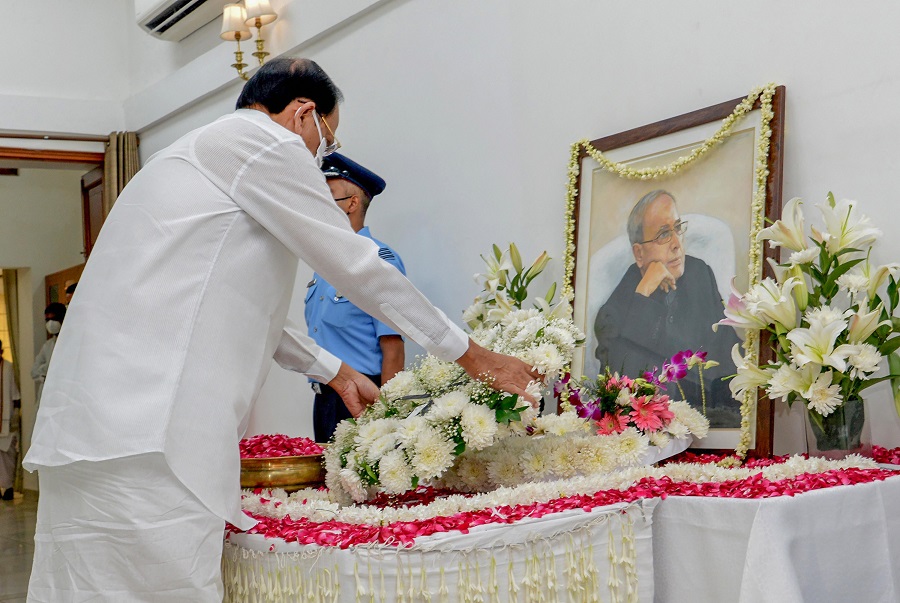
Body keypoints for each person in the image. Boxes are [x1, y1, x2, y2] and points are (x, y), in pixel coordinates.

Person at [23, 58, 538, 601]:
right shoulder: (265, 144)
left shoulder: (192, 153)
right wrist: (478, 358)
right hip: (151, 435)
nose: (322, 157)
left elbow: (235, 304)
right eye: (327, 141)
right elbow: (355, 266)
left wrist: (335, 371)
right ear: (304, 114)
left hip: (90, 434)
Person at [593, 189, 741, 427]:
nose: (676, 244)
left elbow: (728, 354)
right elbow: (624, 392)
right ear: (639, 254)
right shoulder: (613, 313)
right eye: (663, 234)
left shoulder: (700, 274)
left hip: (711, 426)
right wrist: (644, 296)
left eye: (678, 228)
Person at [305, 153, 405, 442]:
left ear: (352, 203)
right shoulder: (325, 263)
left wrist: (387, 418)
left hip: (364, 398)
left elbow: (393, 347)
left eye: (329, 196)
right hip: (325, 398)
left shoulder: (376, 260)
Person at [31, 302, 66, 407]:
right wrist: (47, 370)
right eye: (48, 320)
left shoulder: (73, 343)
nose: (51, 323)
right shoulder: (48, 345)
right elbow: (34, 372)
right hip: (47, 394)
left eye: (54, 319)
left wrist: (48, 370)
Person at [0, 339, 20, 501]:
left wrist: (15, 415)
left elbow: (15, 395)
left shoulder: (7, 367)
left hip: (6, 420)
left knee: (8, 455)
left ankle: (8, 487)